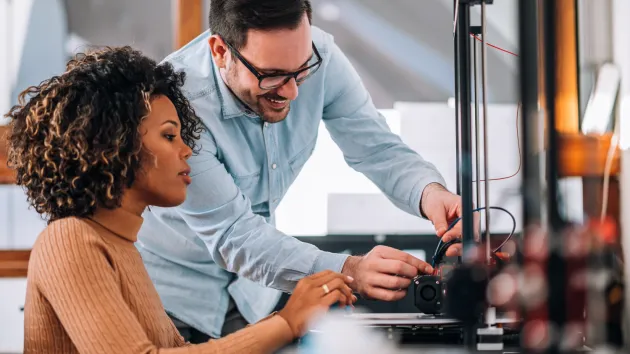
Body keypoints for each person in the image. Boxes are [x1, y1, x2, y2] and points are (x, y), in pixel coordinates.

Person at [137, 0, 465, 341]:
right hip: (174, 299)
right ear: (221, 51)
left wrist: (431, 193)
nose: (292, 91)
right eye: (272, 75)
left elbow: (377, 147)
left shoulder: (318, 53)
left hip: (252, 295)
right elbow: (236, 235)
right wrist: (349, 269)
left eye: (300, 70)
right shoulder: (177, 104)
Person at [7, 46, 355, 353]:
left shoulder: (123, 246)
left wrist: (289, 317)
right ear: (111, 146)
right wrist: (287, 322)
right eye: (169, 136)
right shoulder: (70, 241)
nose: (187, 150)